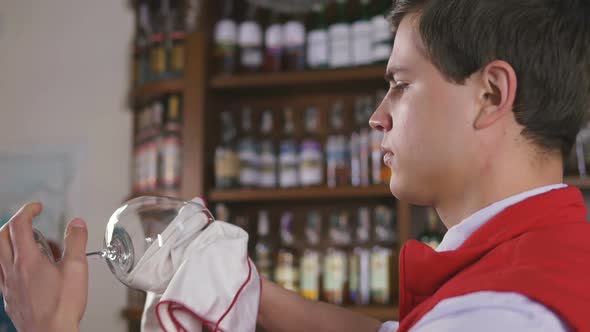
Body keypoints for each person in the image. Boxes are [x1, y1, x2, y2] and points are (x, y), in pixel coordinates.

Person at [2, 0, 590, 331]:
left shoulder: (502, 316)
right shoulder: (536, 264)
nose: (377, 118)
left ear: (491, 95)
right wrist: (248, 288)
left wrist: (47, 324)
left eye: (400, 85)